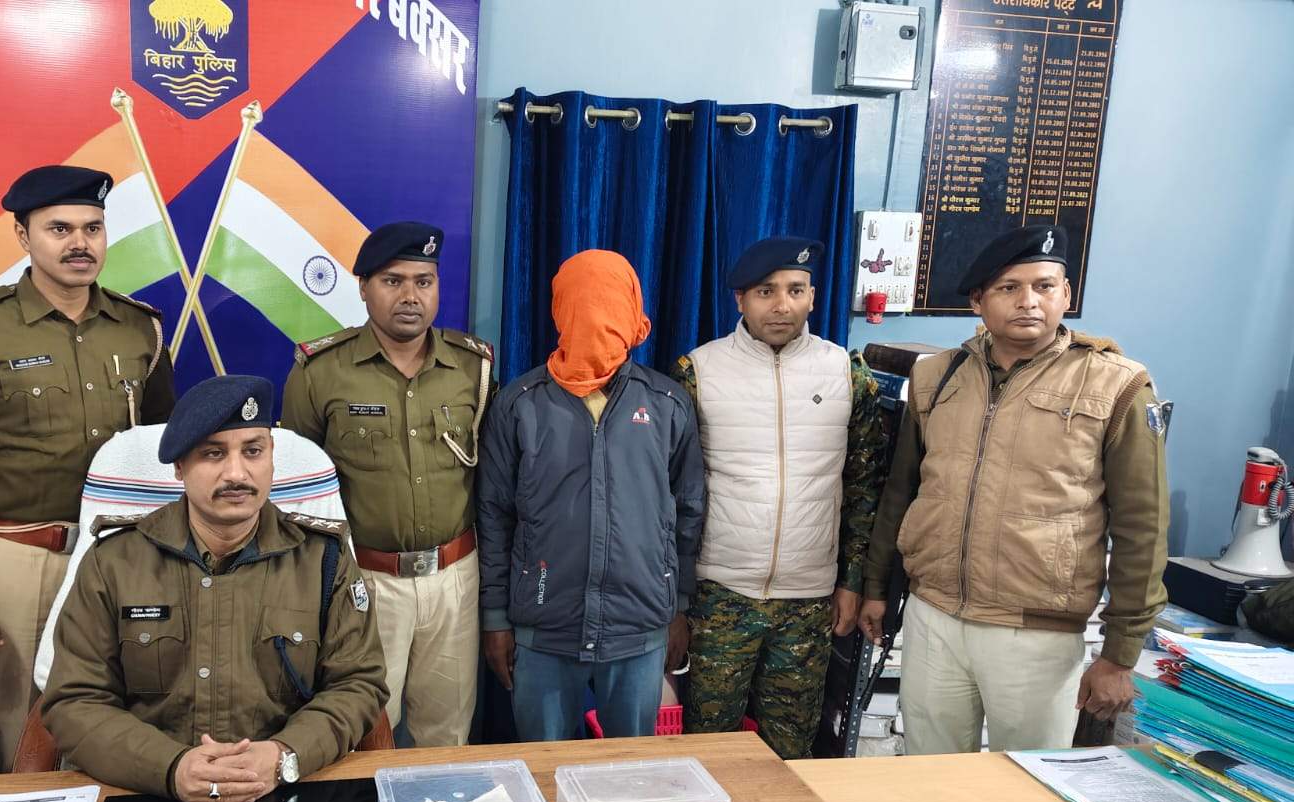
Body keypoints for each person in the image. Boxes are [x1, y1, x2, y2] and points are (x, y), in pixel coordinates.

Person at [859, 225, 1169, 754]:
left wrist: (1120, 653)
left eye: (1044, 286)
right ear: (977, 301)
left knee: (1030, 784)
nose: (1028, 301)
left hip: (1036, 633)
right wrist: (876, 586)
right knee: (928, 777)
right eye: (1008, 288)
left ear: (1065, 294)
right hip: (934, 616)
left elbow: (1143, 526)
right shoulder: (937, 377)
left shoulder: (1115, 385)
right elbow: (903, 492)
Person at [0, 164, 175, 769]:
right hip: (23, 557)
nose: (80, 243)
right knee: (20, 720)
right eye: (60, 229)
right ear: (23, 236)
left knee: (130, 709)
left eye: (92, 228)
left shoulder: (140, 328)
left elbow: (165, 453)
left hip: (124, 553)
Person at [41, 375, 387, 802]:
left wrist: (285, 755)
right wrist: (171, 768)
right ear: (179, 467)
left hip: (287, 799)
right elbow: (74, 701)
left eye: (253, 451)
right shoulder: (114, 562)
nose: (237, 473)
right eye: (213, 453)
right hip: (146, 799)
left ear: (271, 457)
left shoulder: (324, 560)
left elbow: (358, 684)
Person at [281, 222, 494, 747]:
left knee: (447, 734)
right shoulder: (320, 372)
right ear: (363, 287)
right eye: (393, 281)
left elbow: (491, 479)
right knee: (363, 734)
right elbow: (295, 497)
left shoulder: (473, 367)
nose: (410, 297)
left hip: (455, 579)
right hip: (365, 583)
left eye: (424, 281)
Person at [478, 249, 704, 741]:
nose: (596, 319)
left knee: (626, 773)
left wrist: (678, 608)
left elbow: (687, 513)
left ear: (633, 310)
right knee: (544, 769)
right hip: (543, 626)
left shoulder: (667, 404)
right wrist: (495, 619)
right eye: (583, 303)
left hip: (639, 627)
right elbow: (493, 517)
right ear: (561, 309)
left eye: (610, 304)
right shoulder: (520, 405)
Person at [674, 237, 886, 759]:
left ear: (813, 297)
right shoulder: (698, 371)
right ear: (741, 299)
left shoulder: (846, 374)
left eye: (795, 290)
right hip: (720, 596)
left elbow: (863, 487)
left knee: (790, 753)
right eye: (766, 291)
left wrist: (851, 581)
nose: (782, 305)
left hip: (808, 601)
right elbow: (675, 493)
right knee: (709, 750)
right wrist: (677, 597)